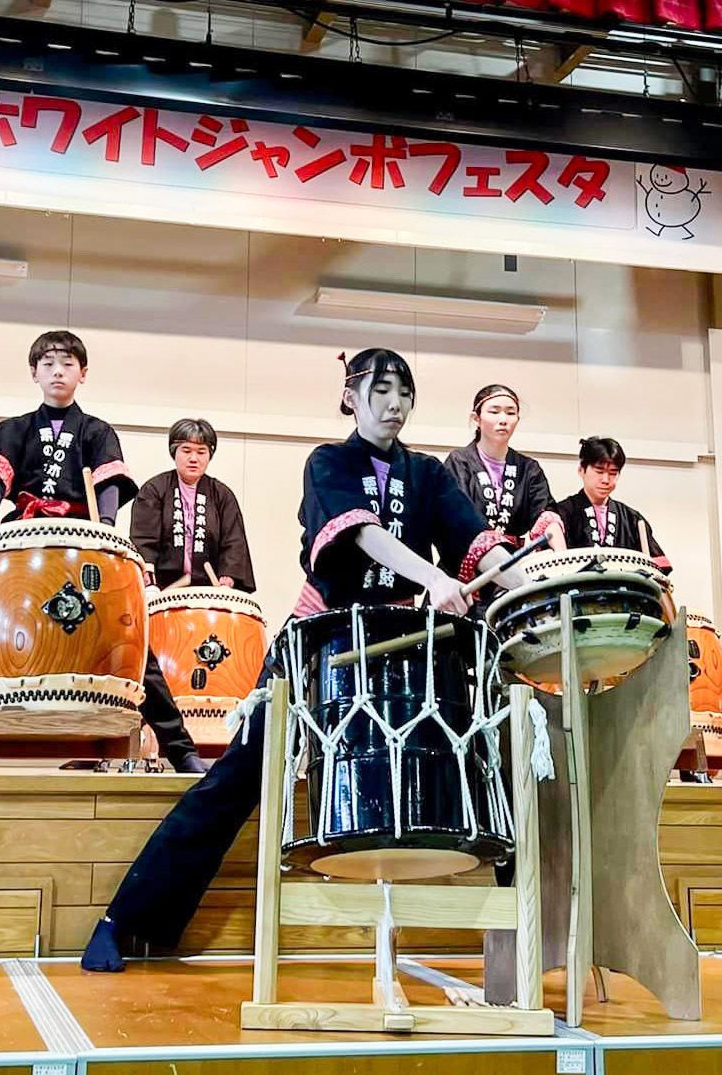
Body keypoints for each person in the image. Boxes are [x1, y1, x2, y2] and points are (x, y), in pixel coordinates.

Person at [81, 347, 528, 972]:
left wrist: (534, 585)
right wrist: (432, 577)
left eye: (405, 393)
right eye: (381, 391)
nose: (394, 405)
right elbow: (361, 533)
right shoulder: (327, 462)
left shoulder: (427, 473)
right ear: (350, 396)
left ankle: (522, 936)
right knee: (239, 775)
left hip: (404, 646)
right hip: (319, 642)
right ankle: (125, 920)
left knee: (488, 760)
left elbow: (478, 545)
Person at [0, 330, 203, 773]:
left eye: (68, 364)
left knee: (129, 641)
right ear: (34, 372)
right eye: (49, 364)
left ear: (83, 374)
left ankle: (181, 751)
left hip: (83, 545)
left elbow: (109, 485)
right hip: (23, 545)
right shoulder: (14, 430)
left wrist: (104, 529)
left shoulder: (96, 432)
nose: (58, 372)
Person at [128, 419, 256, 592]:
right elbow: (144, 540)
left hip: (209, 591)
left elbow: (233, 543)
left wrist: (227, 581)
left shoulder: (222, 495)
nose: (193, 459)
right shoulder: (154, 490)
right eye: (186, 451)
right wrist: (149, 583)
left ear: (209, 455)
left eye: (201, 452)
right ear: (174, 452)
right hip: (162, 588)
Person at [441, 384, 562, 551]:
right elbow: (456, 516)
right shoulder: (459, 462)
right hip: (467, 558)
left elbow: (545, 515)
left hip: (514, 559)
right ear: (476, 418)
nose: (503, 420)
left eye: (511, 413)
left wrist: (561, 555)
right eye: (494, 412)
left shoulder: (528, 468)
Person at [542, 436, 672, 572]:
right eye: (599, 471)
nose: (606, 480)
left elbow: (660, 567)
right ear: (581, 470)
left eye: (613, 473)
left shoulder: (632, 519)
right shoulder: (560, 514)